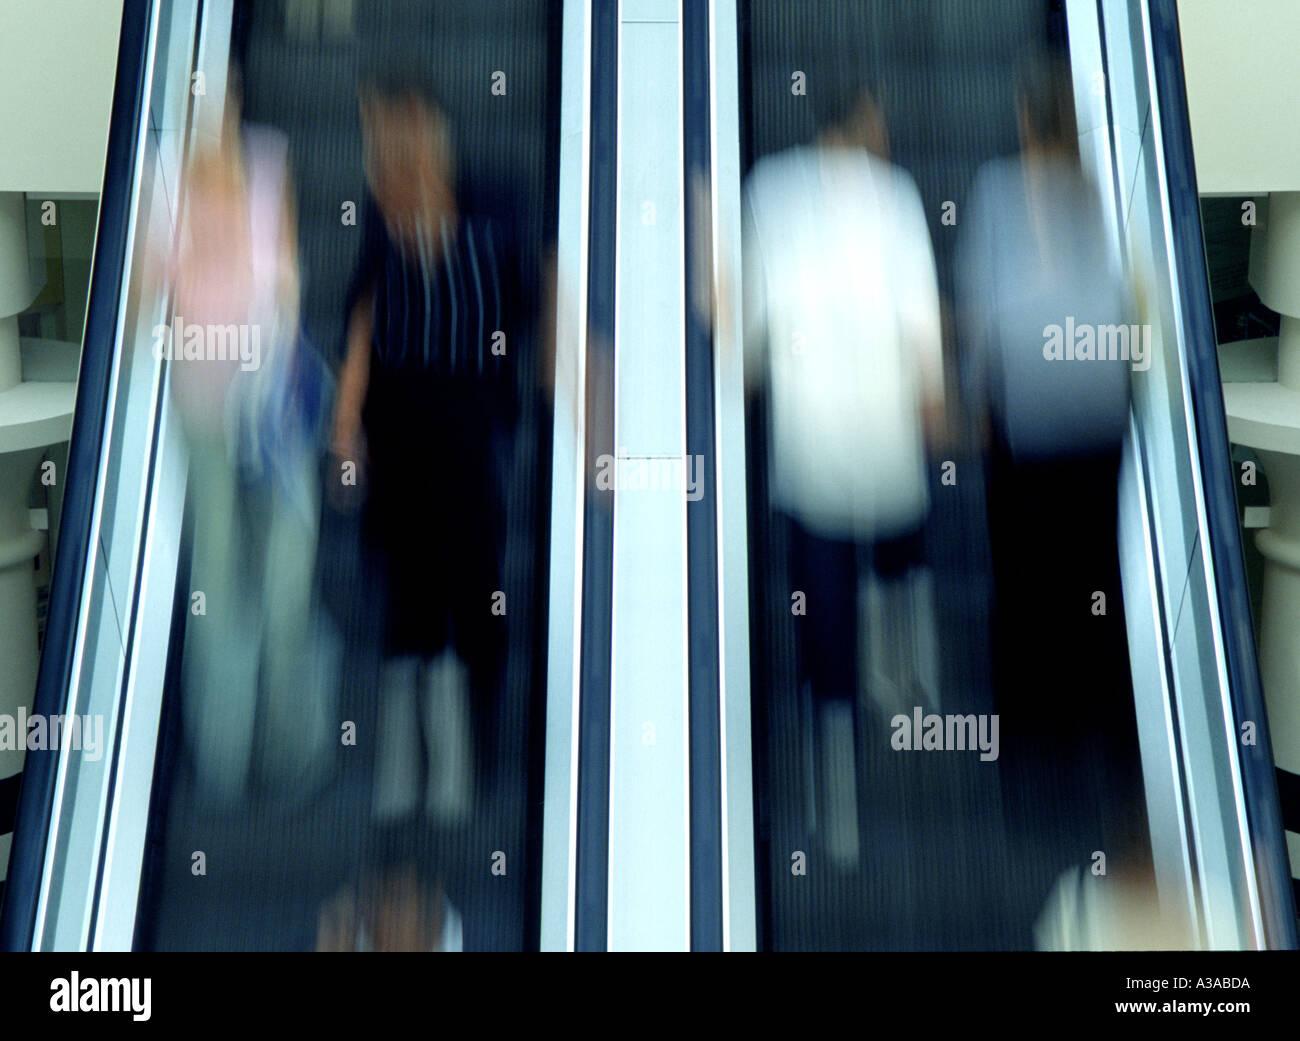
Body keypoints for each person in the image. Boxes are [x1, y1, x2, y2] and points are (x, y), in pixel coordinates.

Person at [742, 81, 945, 868]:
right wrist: (937, 412)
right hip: (888, 447)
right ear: (864, 123)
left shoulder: (769, 190)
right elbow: (922, 324)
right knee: (900, 560)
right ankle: (909, 691)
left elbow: (752, 347)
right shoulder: (896, 197)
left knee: (821, 628)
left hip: (811, 456)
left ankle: (837, 806)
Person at [332, 65, 523, 822]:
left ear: (436, 144)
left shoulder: (492, 211)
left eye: (406, 143)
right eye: (383, 148)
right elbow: (359, 331)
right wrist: (346, 433)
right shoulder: (382, 232)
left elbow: (537, 304)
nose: (392, 164)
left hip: (470, 443)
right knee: (408, 597)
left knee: (467, 596)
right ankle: (403, 767)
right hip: (400, 441)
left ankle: (457, 762)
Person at [169, 66, 335, 804]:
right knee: (214, 575)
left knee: (287, 576)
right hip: (202, 402)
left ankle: (289, 745)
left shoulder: (268, 161)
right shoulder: (163, 179)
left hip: (271, 406)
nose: (218, 104)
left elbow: (291, 272)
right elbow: (147, 286)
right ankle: (224, 757)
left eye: (226, 90)